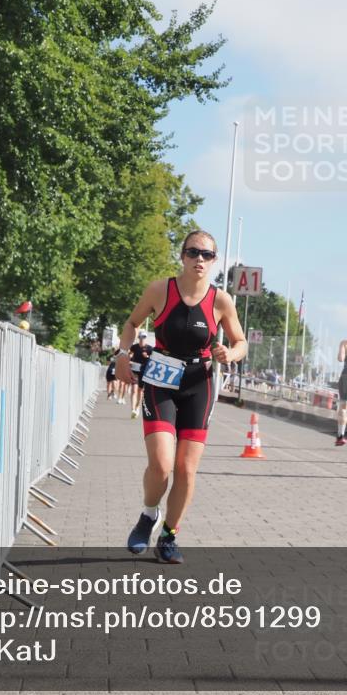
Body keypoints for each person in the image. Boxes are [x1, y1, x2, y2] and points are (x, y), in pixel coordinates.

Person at [117, 230, 247, 564]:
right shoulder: (160, 290)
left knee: (186, 470)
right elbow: (132, 322)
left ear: (215, 261)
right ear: (182, 256)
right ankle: (148, 515)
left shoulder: (221, 300)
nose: (199, 260)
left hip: (198, 383)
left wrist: (229, 355)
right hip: (162, 378)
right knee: (161, 465)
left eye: (207, 255)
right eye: (193, 252)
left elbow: (241, 342)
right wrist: (122, 353)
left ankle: (169, 536)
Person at [128, 332, 153, 418]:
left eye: (144, 337)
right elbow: (129, 354)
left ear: (146, 338)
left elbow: (153, 359)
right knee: (134, 389)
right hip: (134, 369)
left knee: (140, 390)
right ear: (138, 337)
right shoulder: (134, 347)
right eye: (140, 337)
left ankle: (137, 407)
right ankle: (133, 409)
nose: (142, 338)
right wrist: (129, 360)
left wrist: (147, 357)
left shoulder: (149, 348)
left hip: (144, 370)